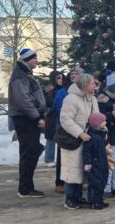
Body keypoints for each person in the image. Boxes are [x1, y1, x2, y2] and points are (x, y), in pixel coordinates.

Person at [8, 48, 48, 198]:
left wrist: (42, 91)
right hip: (25, 119)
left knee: (30, 151)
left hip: (27, 118)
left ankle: (27, 187)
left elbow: (28, 94)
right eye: (34, 58)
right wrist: (37, 117)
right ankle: (25, 188)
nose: (36, 61)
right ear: (27, 59)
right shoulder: (20, 74)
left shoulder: (25, 73)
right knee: (29, 152)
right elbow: (23, 100)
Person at [58, 72, 100, 209]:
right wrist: (79, 133)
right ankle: (69, 197)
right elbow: (65, 119)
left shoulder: (92, 98)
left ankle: (78, 196)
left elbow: (96, 116)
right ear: (85, 84)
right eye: (93, 83)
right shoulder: (71, 99)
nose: (95, 85)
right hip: (73, 138)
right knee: (72, 169)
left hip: (88, 138)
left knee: (82, 168)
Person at [52, 67, 82, 193]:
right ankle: (60, 183)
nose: (74, 75)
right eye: (72, 73)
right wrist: (71, 117)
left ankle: (76, 183)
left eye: (77, 74)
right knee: (63, 157)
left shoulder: (84, 91)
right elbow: (57, 108)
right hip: (65, 129)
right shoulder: (64, 91)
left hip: (80, 129)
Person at [80, 111, 113, 210]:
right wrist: (88, 163)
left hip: (102, 163)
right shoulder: (91, 136)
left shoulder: (102, 134)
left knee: (102, 181)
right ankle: (94, 202)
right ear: (97, 124)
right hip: (95, 164)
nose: (105, 122)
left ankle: (99, 200)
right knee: (95, 184)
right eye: (103, 121)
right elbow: (87, 150)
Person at [41, 71, 64, 166]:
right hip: (51, 117)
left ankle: (59, 160)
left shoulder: (62, 89)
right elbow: (48, 102)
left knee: (60, 138)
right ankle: (49, 159)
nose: (61, 80)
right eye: (58, 78)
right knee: (51, 138)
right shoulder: (49, 89)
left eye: (62, 77)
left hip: (59, 116)